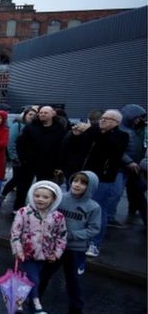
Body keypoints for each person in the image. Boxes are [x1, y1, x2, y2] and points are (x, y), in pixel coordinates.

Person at [38, 171, 100, 314]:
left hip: (75, 249)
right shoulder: (60, 199)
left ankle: (75, 312)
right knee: (44, 274)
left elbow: (94, 229)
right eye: (75, 180)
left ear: (90, 186)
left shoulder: (93, 207)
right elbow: (44, 210)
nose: (77, 184)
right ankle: (34, 301)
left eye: (83, 182)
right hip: (54, 247)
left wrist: (72, 235)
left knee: (74, 281)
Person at [62, 109, 128, 257]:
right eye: (103, 118)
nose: (103, 120)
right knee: (75, 207)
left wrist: (91, 130)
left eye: (108, 119)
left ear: (117, 123)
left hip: (103, 178)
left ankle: (94, 243)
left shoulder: (121, 136)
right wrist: (75, 135)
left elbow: (110, 148)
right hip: (83, 174)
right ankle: (73, 237)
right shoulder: (94, 132)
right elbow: (76, 147)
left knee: (98, 210)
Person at [10, 180, 67, 314]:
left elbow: (62, 236)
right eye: (37, 195)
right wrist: (18, 250)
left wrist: (57, 253)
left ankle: (17, 299)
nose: (40, 199)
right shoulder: (24, 212)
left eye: (45, 197)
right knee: (34, 279)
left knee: (28, 279)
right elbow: (15, 232)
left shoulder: (58, 217)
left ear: (53, 199)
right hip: (26, 254)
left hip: (45, 255)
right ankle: (38, 310)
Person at [15, 106, 66, 211]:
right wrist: (22, 159)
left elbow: (61, 148)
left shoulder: (59, 129)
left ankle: (40, 210)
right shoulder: (31, 127)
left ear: (53, 114)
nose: (42, 114)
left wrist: (59, 166)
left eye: (45, 113)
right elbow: (20, 143)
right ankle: (17, 208)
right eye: (41, 112)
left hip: (48, 164)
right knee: (23, 187)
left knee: (43, 189)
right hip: (28, 162)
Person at [2, 106, 37, 204]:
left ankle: (19, 203)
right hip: (18, 158)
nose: (32, 117)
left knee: (25, 182)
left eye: (34, 115)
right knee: (17, 179)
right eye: (30, 114)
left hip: (29, 160)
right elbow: (11, 142)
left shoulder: (35, 127)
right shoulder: (17, 125)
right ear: (25, 115)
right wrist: (14, 157)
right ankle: (3, 194)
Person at [119, 104, 146, 226]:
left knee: (137, 190)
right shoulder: (123, 131)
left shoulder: (135, 130)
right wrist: (129, 161)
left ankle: (135, 210)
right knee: (116, 194)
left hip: (134, 167)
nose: (139, 120)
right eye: (138, 117)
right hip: (124, 167)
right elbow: (118, 150)